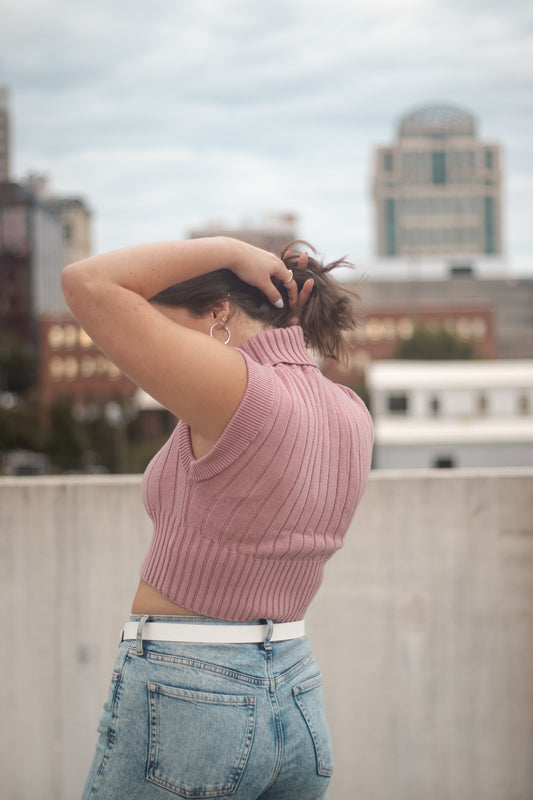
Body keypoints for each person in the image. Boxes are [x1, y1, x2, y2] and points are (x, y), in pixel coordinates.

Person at [62, 236, 373, 800]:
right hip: (297, 689)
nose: (154, 346)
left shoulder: (238, 391)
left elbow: (85, 284)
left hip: (191, 694)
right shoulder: (349, 410)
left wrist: (228, 249)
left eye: (165, 324)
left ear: (218, 311)